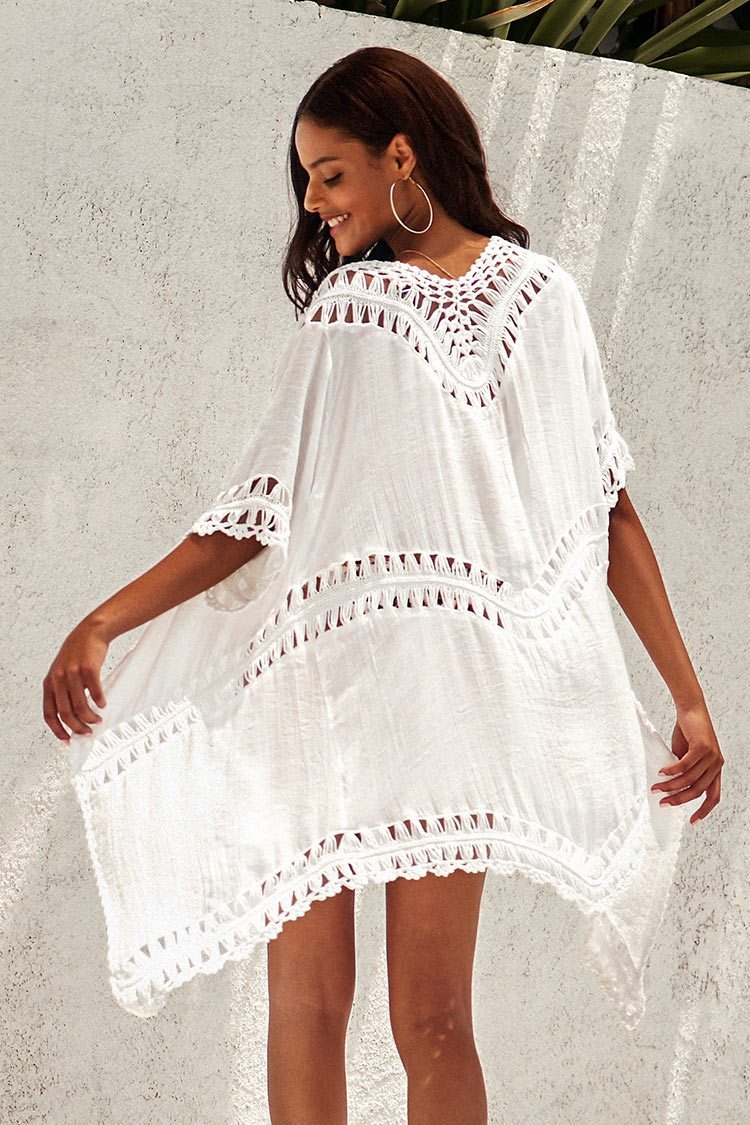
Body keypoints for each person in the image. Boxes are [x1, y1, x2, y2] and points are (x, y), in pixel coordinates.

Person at [43, 46, 723, 1125]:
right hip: (387, 694)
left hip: (395, 697)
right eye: (306, 182)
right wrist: (102, 622)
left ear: (401, 156)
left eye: (331, 173)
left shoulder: (464, 304)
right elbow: (263, 516)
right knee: (374, 1009)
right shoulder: (430, 305)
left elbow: (602, 509)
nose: (314, 205)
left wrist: (686, 695)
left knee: (371, 1012)